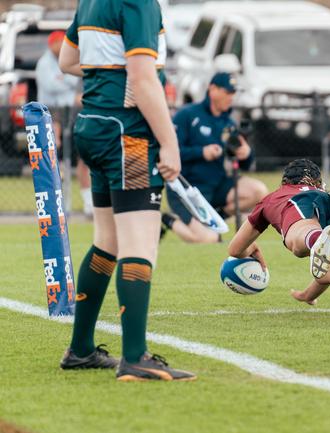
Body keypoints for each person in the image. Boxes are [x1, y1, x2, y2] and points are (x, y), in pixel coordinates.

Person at [58, 0, 195, 381]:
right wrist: (169, 143)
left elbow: (67, 61)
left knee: (108, 241)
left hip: (93, 126)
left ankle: (81, 349)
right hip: (128, 137)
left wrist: (110, 79)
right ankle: (135, 357)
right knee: (140, 244)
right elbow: (142, 77)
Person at [227, 159, 330, 304]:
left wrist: (250, 248)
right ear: (318, 182)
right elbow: (321, 268)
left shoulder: (274, 197)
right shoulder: (322, 191)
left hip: (302, 204)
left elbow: (235, 249)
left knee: (300, 240)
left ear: (284, 181)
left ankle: (316, 237)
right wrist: (307, 296)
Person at [162, 72, 268, 243]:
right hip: (187, 189)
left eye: (233, 93)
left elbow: (246, 164)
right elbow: (170, 151)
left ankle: (216, 217)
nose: (231, 97)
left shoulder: (229, 124)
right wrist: (202, 152)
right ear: (213, 90)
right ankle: (168, 220)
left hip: (217, 186)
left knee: (258, 191)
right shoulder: (187, 115)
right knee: (209, 239)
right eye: (228, 92)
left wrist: (245, 153)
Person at [35, 31, 93, 217]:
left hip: (72, 115)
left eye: (63, 42)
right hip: (50, 115)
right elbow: (52, 85)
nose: (61, 46)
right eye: (58, 42)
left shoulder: (70, 59)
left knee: (82, 160)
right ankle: (56, 205)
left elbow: (71, 78)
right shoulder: (44, 63)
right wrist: (67, 82)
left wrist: (65, 78)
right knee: (54, 159)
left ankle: (87, 205)